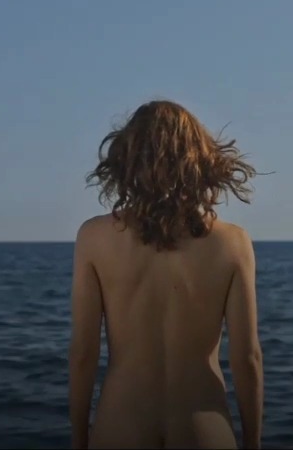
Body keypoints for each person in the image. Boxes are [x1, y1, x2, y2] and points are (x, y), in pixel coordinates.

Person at [69, 100, 265, 450]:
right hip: (204, 429)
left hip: (121, 425)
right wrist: (253, 442)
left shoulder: (94, 237)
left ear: (127, 159)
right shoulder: (233, 243)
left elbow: (84, 353)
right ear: (198, 158)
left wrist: (79, 440)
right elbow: (247, 358)